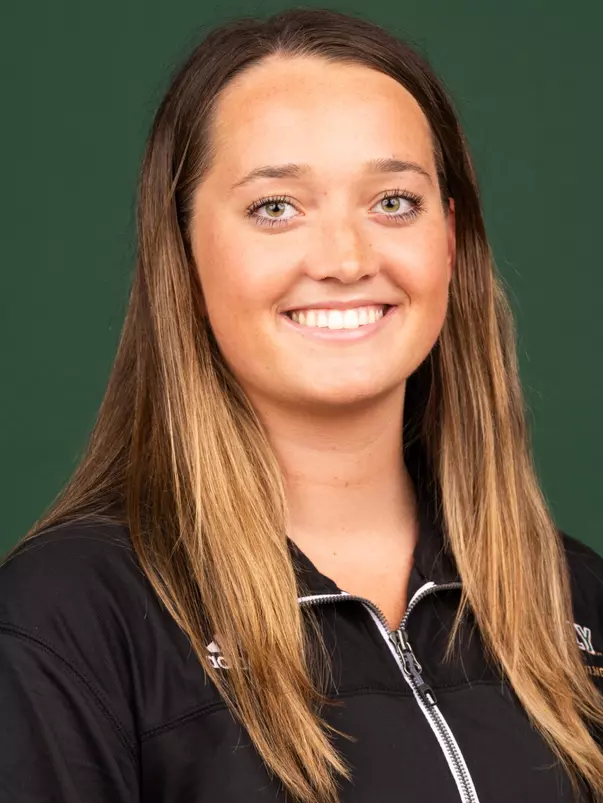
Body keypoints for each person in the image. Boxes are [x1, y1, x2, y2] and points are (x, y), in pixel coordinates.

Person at [1, 7, 602, 803]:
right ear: (180, 252)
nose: (347, 259)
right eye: (275, 208)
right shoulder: (70, 617)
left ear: (449, 240)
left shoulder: (575, 596)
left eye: (393, 201)